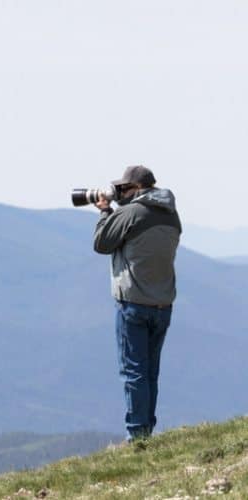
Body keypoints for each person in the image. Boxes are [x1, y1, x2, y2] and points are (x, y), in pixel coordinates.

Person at [92, 165, 181, 441]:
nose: (120, 194)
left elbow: (102, 243)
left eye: (124, 189)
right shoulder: (172, 215)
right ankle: (147, 429)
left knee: (134, 372)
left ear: (137, 189)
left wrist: (106, 211)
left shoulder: (130, 212)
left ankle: (138, 435)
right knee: (150, 372)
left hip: (133, 304)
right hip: (163, 304)